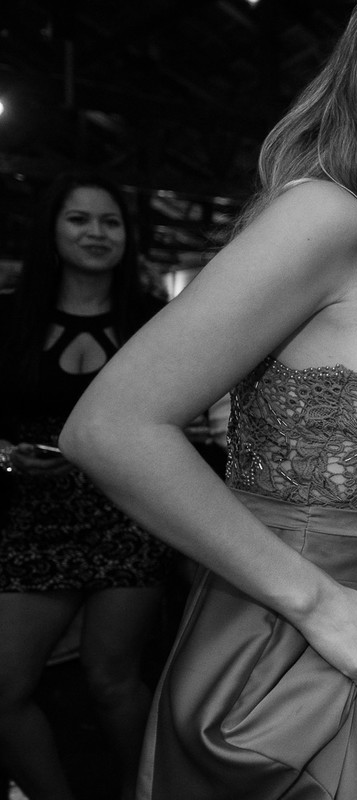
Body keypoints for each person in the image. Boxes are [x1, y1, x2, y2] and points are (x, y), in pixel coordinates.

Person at [59, 2, 357, 797]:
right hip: (290, 635)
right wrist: (320, 604)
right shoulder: (327, 217)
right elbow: (108, 427)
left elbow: (337, 439)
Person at [0, 173, 171, 800]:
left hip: (128, 513)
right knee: (4, 689)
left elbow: (177, 414)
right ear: (51, 230)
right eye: (79, 220)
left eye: (110, 222)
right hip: (34, 517)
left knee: (112, 679)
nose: (96, 233)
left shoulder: (154, 323)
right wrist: (5, 454)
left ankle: (140, 790)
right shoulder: (11, 317)